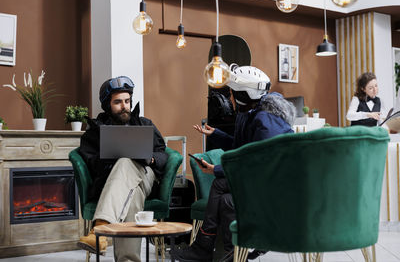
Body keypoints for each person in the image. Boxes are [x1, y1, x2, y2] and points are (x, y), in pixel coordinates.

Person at [171, 65, 296, 262]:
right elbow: (244, 148)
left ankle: (204, 248)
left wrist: (217, 170)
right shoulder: (253, 112)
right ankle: (234, 255)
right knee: (227, 201)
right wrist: (217, 135)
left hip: (272, 184)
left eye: (232, 94)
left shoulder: (265, 119)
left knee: (220, 184)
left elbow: (256, 160)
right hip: (262, 178)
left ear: (243, 95)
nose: (230, 99)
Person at [77, 76, 168, 262]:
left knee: (127, 162)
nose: (124, 106)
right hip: (113, 182)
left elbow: (163, 153)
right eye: (118, 102)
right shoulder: (95, 131)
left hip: (145, 175)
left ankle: (100, 229)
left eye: (127, 101)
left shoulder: (145, 124)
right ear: (107, 105)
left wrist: (150, 159)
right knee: (132, 193)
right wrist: (110, 157)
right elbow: (90, 161)